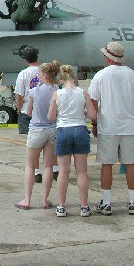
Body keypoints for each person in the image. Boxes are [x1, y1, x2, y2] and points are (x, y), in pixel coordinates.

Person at [88, 41, 134, 215]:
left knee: (107, 164)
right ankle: (133, 202)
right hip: (129, 126)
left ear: (107, 57)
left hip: (108, 126)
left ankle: (106, 202)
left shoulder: (101, 75)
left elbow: (93, 102)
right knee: (131, 163)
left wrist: (95, 123)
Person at [47, 65, 96, 217]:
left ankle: (61, 206)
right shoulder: (83, 93)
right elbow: (93, 115)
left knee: (63, 171)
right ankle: (84, 206)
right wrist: (82, 111)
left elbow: (51, 117)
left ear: (61, 81)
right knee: (82, 171)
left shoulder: (57, 94)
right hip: (80, 129)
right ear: (74, 79)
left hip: (63, 130)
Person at [14, 60, 60, 210]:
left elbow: (28, 111)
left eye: (40, 74)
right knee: (48, 166)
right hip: (52, 129)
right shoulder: (56, 90)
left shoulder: (35, 91)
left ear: (45, 74)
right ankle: (45, 200)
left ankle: (27, 199)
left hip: (37, 129)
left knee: (30, 165)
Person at [15, 46, 55, 182]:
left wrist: (18, 109)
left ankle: (36, 172)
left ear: (25, 59)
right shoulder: (45, 71)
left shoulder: (23, 74)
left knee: (33, 145)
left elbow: (19, 95)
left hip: (29, 111)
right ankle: (54, 169)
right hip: (48, 110)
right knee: (50, 143)